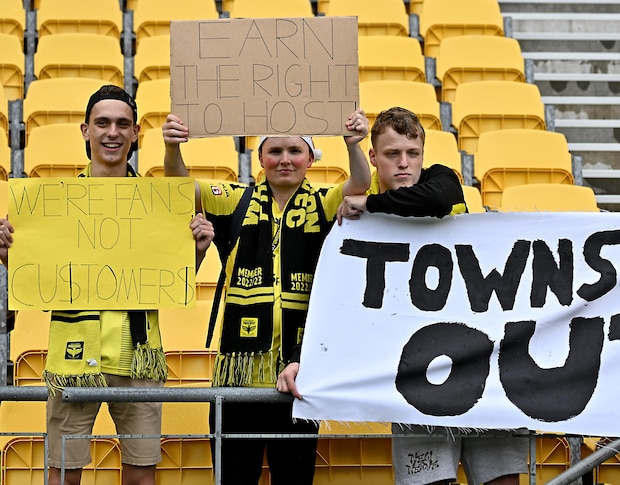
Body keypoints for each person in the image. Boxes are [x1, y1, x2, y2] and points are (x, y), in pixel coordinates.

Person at [0, 84, 215, 485]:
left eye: (122, 124)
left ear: (136, 134)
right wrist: (10, 255)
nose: (111, 132)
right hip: (73, 358)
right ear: (85, 131)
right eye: (102, 123)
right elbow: (41, 280)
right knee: (62, 478)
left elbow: (170, 278)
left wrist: (198, 250)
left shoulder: (160, 203)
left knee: (140, 479)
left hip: (138, 356)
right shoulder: (51, 205)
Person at [161, 109, 372, 484]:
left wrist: (353, 145)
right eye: (275, 151)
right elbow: (182, 187)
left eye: (295, 150)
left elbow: (359, 184)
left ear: (310, 159)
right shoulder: (235, 200)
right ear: (260, 159)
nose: (285, 159)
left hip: (298, 375)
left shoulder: (324, 201)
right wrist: (173, 148)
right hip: (237, 379)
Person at [337, 106, 526, 485]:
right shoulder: (356, 193)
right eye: (392, 155)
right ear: (374, 157)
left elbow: (437, 201)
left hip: (482, 365)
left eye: (413, 153)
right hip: (415, 377)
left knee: (501, 481)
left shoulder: (442, 181)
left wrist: (371, 207)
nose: (404, 164)